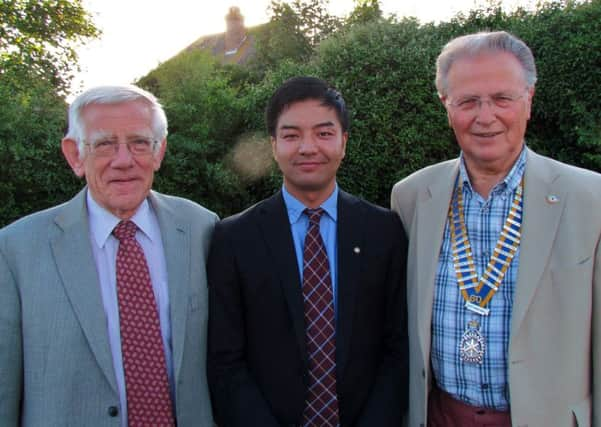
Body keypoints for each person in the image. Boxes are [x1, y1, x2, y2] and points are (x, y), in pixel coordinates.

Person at [391, 31, 601, 427]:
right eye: (468, 101)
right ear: (446, 106)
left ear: (528, 102)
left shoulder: (591, 199)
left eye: (502, 99)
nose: (485, 117)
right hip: (439, 417)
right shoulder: (412, 197)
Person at [0, 85, 217, 426]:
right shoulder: (16, 249)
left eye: (139, 143)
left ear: (159, 152)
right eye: (104, 144)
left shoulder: (201, 229)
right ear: (75, 155)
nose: (123, 160)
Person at [207, 76, 408, 427]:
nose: (308, 147)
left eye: (324, 133)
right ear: (273, 146)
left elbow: (397, 350)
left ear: (344, 143)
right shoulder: (234, 237)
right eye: (291, 135)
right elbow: (226, 361)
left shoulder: (384, 231)